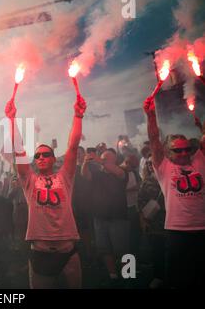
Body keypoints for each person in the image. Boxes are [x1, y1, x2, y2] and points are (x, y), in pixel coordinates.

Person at [5, 94, 87, 289]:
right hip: (40, 251)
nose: (41, 157)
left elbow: (73, 147)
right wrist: (12, 119)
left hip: (68, 250)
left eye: (46, 154)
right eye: (38, 155)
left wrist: (78, 117)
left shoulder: (64, 177)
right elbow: (19, 150)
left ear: (53, 158)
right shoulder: (29, 180)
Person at [143, 95, 205, 288]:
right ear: (168, 152)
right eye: (178, 151)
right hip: (177, 231)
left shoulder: (199, 160)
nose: (184, 153)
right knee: (178, 279)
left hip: (203, 229)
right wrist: (151, 114)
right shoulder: (163, 166)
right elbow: (154, 138)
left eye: (186, 149)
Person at [81, 148, 130, 288]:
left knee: (123, 249)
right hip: (100, 217)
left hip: (118, 217)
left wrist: (100, 160)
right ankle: (113, 276)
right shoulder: (98, 174)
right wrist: (85, 163)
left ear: (114, 160)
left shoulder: (122, 172)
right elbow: (85, 175)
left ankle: (129, 275)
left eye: (107, 159)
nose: (104, 161)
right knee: (105, 249)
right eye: (103, 159)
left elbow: (118, 172)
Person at [137, 154, 166, 289]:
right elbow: (140, 202)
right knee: (157, 251)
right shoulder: (147, 182)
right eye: (148, 164)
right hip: (154, 223)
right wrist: (143, 219)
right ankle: (159, 276)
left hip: (171, 221)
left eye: (153, 163)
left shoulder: (169, 178)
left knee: (172, 251)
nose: (150, 166)